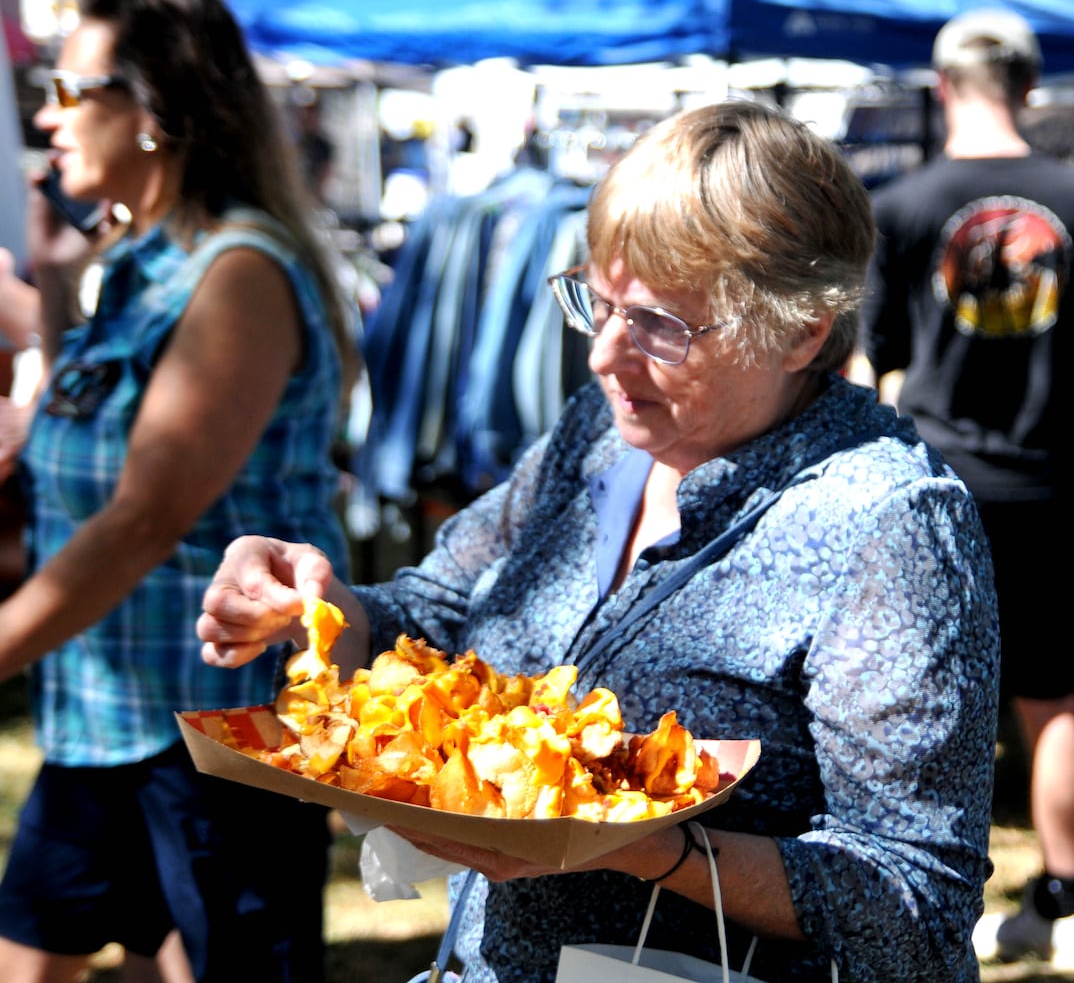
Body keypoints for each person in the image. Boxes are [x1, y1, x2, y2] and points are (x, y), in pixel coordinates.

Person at [198, 99, 1001, 983]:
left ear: (802, 328)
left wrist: (639, 847)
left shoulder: (887, 519)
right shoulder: (603, 435)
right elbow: (440, 614)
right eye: (598, 302)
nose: (603, 356)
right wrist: (321, 609)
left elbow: (919, 903)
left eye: (661, 323)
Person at [0, 0, 355, 980]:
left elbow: (147, 516)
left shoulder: (235, 273)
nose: (46, 115)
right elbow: (110, 444)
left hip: (216, 741)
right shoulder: (142, 263)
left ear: (155, 111)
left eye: (69, 87)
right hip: (102, 722)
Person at [853, 8, 1074, 965]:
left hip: (941, 487)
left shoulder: (902, 205)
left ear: (942, 89)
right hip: (1057, 482)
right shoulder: (1072, 195)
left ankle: (918, 905)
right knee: (1056, 701)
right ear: (1031, 87)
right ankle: (1066, 905)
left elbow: (877, 360)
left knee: (928, 701)